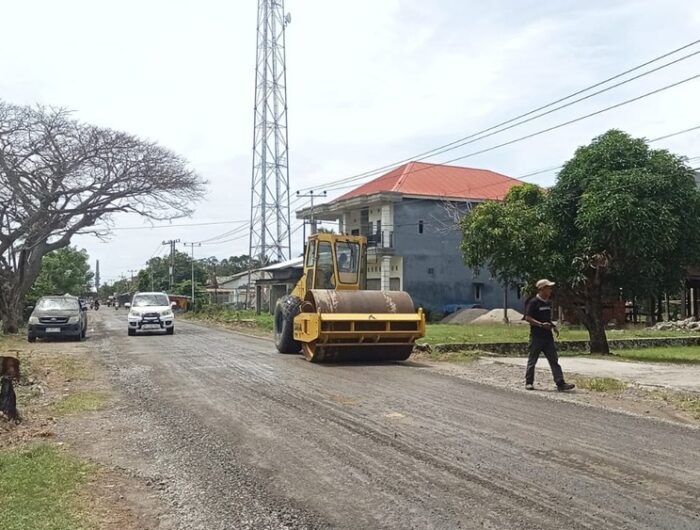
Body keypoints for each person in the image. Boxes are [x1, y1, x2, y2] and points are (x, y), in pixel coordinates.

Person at [524, 279, 575, 391]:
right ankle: (529, 382)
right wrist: (541, 325)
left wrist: (553, 326)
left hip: (548, 337)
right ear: (542, 289)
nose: (550, 290)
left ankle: (560, 383)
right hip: (536, 337)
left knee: (554, 360)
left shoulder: (547, 303)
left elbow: (547, 319)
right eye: (548, 288)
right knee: (532, 360)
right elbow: (527, 318)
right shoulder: (533, 302)